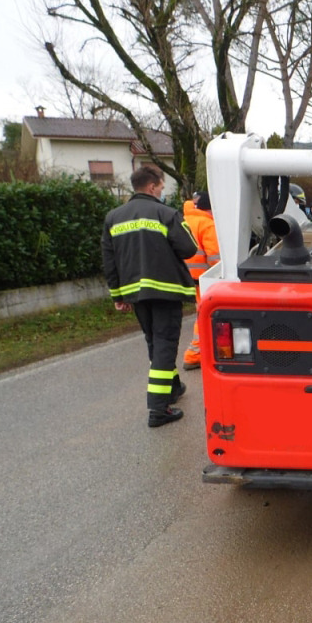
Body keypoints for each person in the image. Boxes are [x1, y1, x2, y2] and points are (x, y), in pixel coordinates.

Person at [101, 166, 197, 427]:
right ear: (153, 186)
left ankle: (172, 388)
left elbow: (109, 260)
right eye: (162, 186)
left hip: (135, 293)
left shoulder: (113, 218)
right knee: (165, 344)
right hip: (166, 290)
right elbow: (189, 248)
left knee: (155, 342)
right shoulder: (165, 213)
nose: (163, 191)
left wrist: (117, 295)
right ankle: (158, 409)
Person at [182, 190, 220, 370]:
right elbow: (215, 257)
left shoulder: (184, 220)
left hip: (183, 278)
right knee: (203, 315)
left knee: (199, 314)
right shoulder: (207, 224)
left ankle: (199, 352)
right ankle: (194, 355)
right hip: (202, 280)